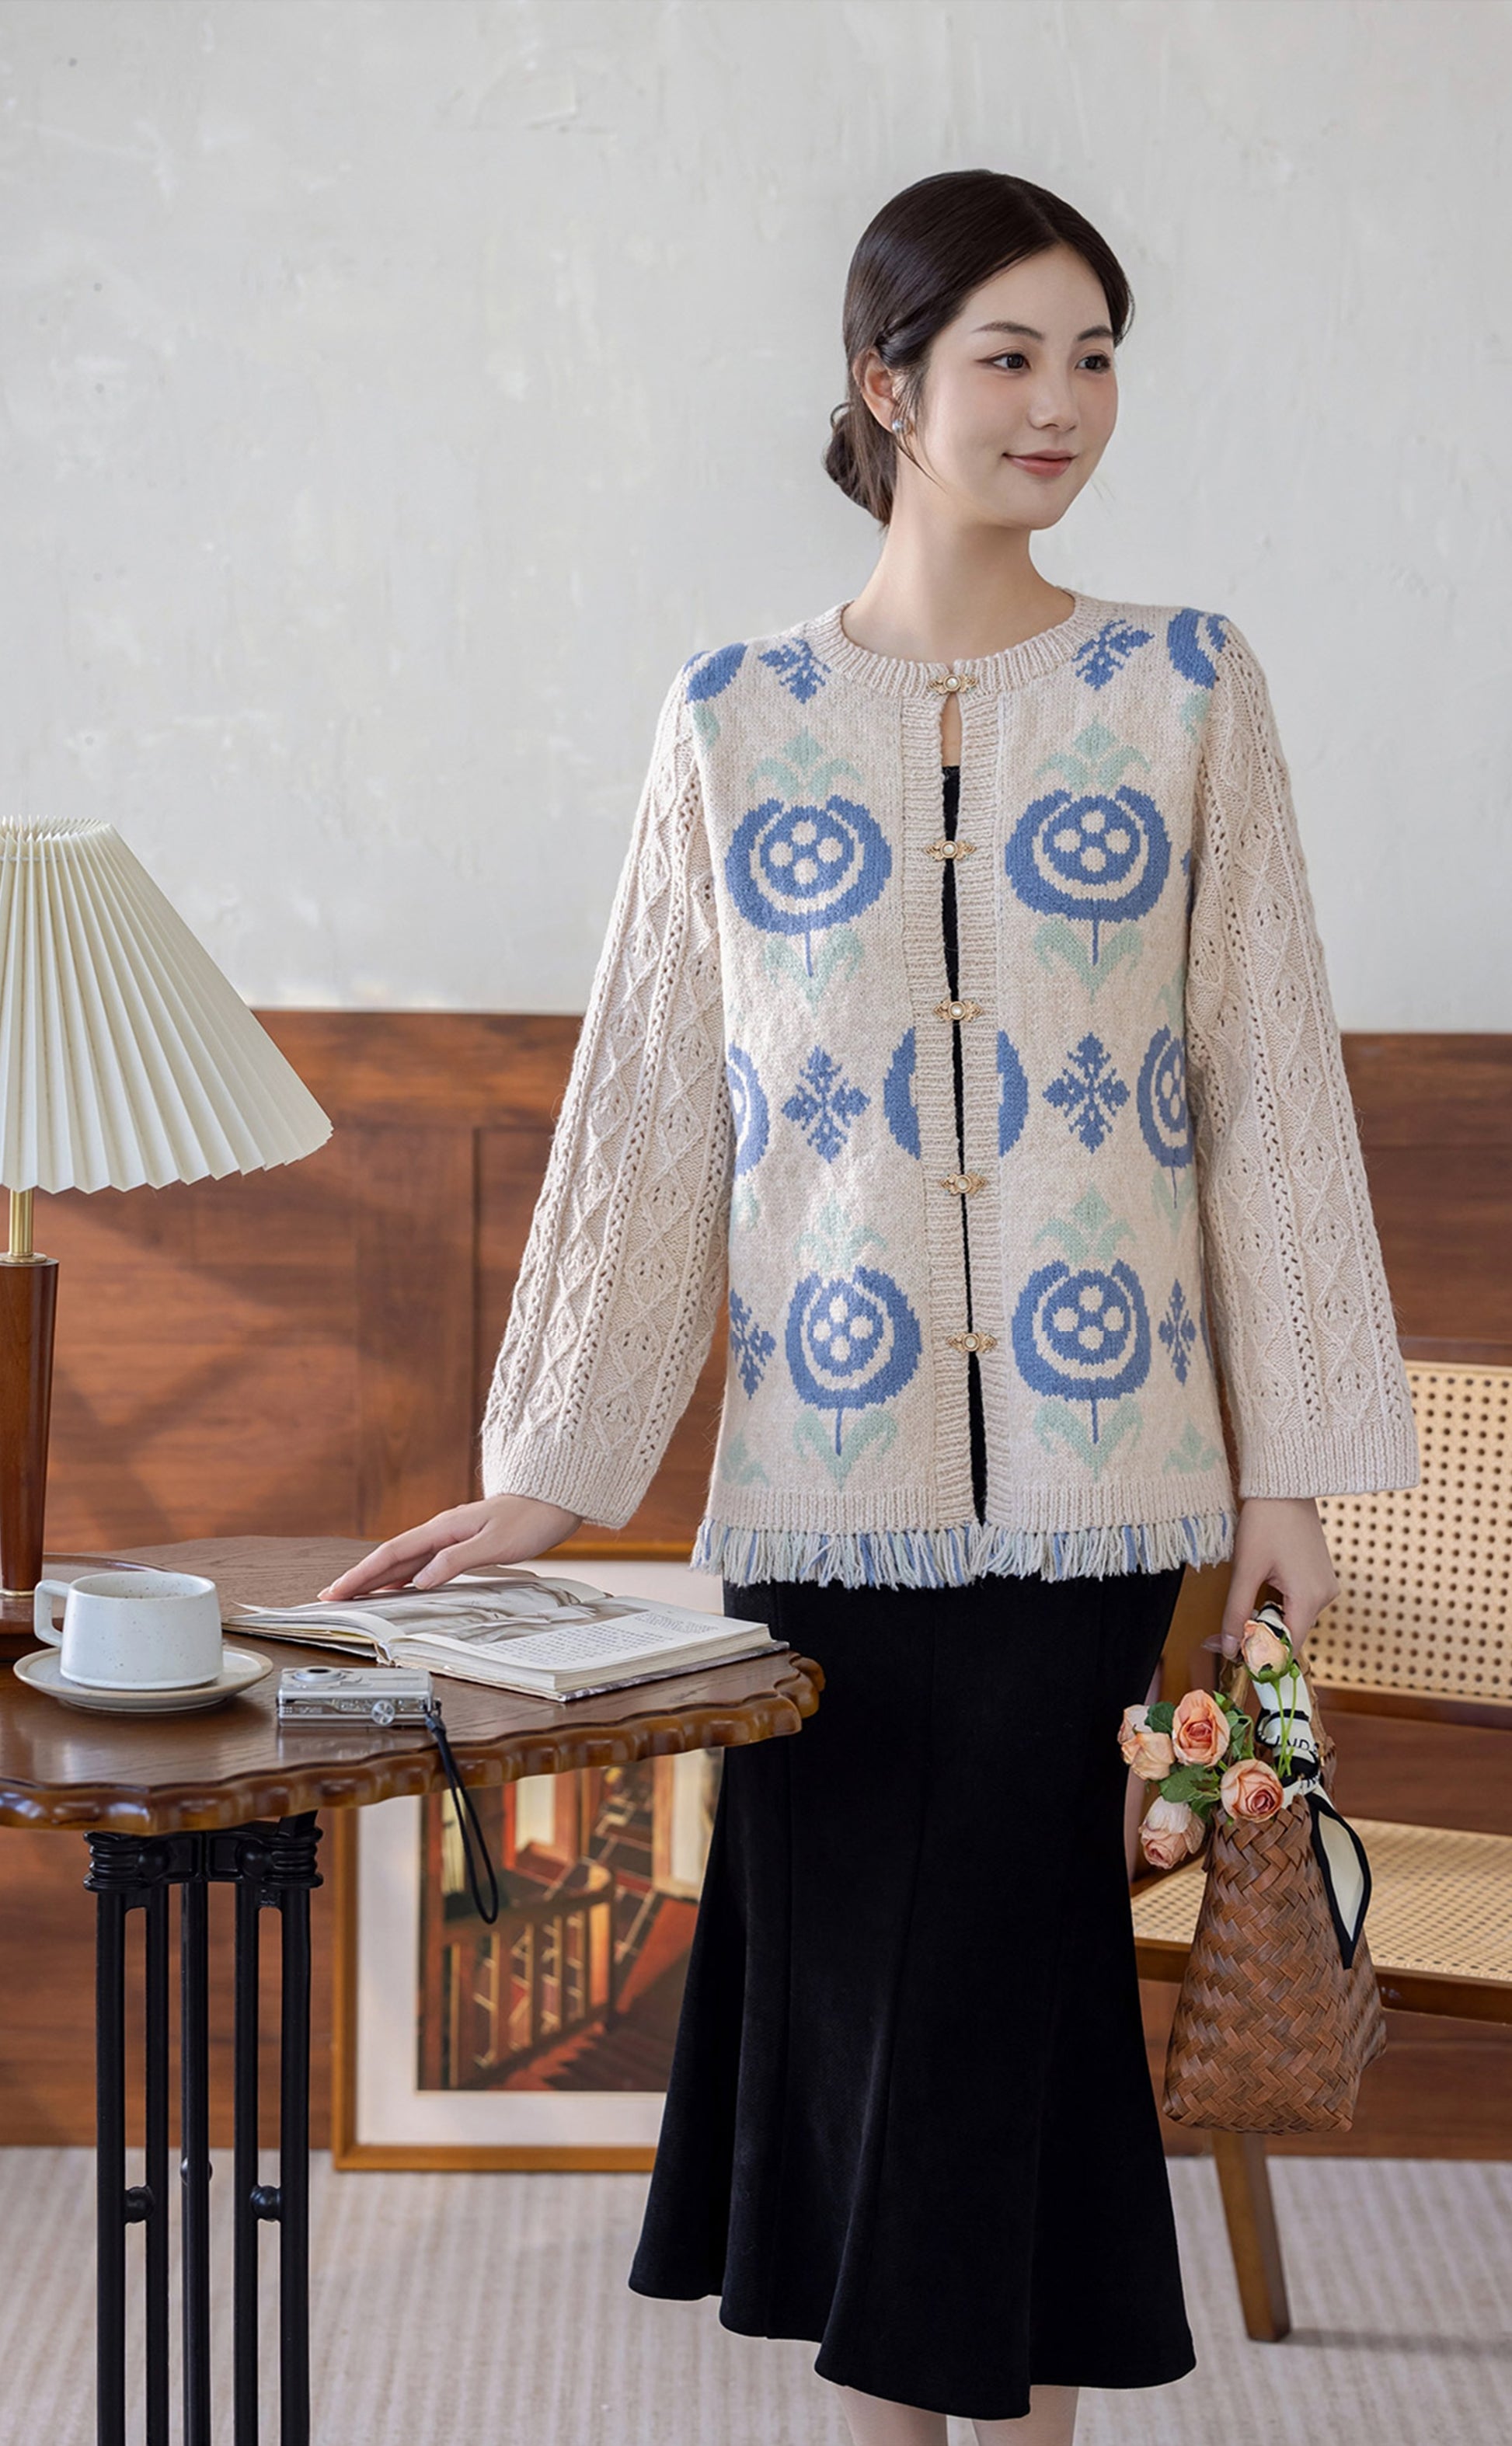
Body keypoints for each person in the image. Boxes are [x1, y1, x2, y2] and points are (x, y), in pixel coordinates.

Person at [318, 170, 1419, 2444]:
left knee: (1000, 1997)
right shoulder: (732, 716)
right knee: (854, 2017)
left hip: (1104, 1495)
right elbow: (652, 1113)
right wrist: (547, 1475)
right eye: (1008, 354)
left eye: (1093, 356)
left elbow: (1269, 1093)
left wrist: (1294, 1471)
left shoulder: (1185, 691)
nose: (1060, 402)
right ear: (885, 383)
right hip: (822, 1499)